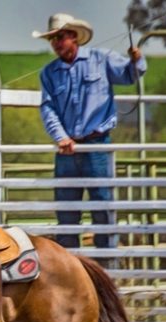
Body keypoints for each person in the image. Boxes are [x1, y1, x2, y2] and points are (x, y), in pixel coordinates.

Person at [33, 12, 146, 251]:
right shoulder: (49, 73)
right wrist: (61, 137)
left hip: (97, 144)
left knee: (102, 207)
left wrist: (136, 60)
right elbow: (48, 108)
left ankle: (106, 263)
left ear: (74, 36)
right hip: (68, 147)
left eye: (60, 37)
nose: (55, 43)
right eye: (52, 39)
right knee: (66, 211)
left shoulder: (101, 58)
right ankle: (70, 266)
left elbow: (129, 75)